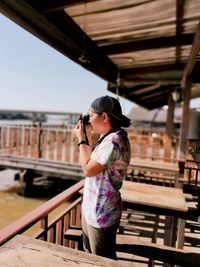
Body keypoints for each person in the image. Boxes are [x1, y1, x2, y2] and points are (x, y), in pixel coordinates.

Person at [73, 95, 131, 260]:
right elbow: (92, 162)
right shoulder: (110, 137)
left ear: (104, 116)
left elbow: (88, 170)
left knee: (102, 261)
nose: (89, 121)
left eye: (91, 116)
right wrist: (87, 138)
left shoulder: (113, 141)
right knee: (90, 257)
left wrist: (82, 139)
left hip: (102, 213)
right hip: (93, 209)